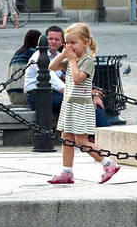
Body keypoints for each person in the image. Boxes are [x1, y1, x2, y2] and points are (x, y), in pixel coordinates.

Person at [47, 23, 120, 185]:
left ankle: (108, 163)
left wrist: (71, 60)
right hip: (69, 104)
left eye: (73, 43)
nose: (70, 47)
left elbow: (78, 78)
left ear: (85, 43)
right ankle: (67, 171)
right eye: (67, 43)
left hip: (81, 106)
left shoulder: (87, 60)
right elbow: (51, 67)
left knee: (82, 142)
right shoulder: (72, 58)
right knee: (66, 138)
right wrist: (63, 54)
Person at [24, 25, 65, 114]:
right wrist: (74, 95)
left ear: (62, 42)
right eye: (50, 39)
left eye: (57, 39)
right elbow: (53, 80)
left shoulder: (59, 56)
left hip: (54, 93)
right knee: (72, 102)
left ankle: (100, 126)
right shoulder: (38, 56)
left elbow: (68, 76)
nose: (53, 42)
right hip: (36, 95)